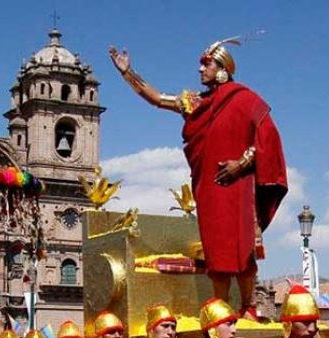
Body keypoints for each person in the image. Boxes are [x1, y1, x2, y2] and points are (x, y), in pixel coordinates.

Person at [109, 39, 287, 316]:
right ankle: (220, 308)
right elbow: (157, 99)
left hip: (239, 187)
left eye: (206, 64)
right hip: (209, 188)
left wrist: (241, 164)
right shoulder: (194, 103)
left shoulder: (246, 100)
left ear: (223, 68)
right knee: (216, 250)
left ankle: (249, 307)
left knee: (243, 248)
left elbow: (267, 139)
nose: (199, 69)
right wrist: (126, 72)